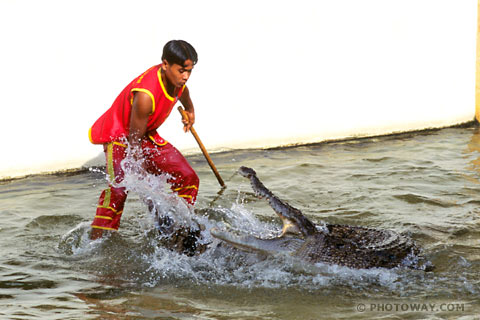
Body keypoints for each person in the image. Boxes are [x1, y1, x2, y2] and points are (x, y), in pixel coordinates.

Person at [88, 40, 199, 240]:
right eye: (182, 70)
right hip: (121, 137)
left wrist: (190, 110)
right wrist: (143, 181)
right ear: (165, 65)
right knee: (119, 190)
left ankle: (179, 233)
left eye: (189, 71)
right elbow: (134, 143)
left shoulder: (177, 81)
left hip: (145, 134)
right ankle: (95, 242)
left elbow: (184, 93)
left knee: (188, 178)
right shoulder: (146, 95)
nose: (185, 77)